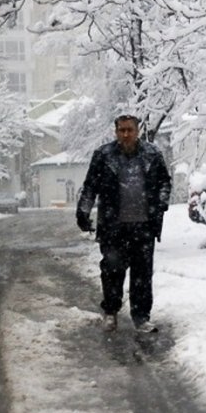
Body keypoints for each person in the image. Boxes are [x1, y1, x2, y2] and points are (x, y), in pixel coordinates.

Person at [76, 115, 172, 333]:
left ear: (138, 131)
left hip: (144, 225)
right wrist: (83, 211)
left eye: (129, 130)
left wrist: (161, 204)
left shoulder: (152, 154)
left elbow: (164, 182)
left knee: (142, 274)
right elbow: (90, 185)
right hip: (113, 225)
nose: (126, 134)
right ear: (116, 132)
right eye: (121, 130)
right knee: (112, 270)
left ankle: (141, 317)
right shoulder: (104, 155)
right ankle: (110, 311)